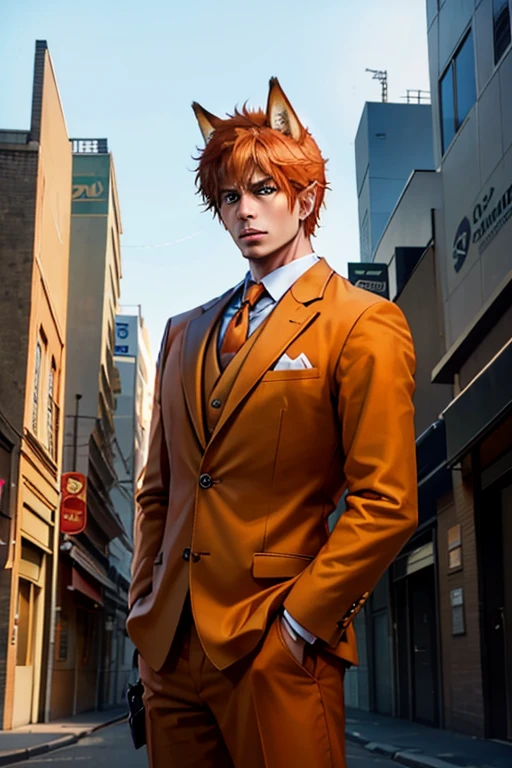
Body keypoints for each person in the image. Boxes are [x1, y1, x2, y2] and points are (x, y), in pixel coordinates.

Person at [127, 77, 418, 768]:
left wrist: (299, 626)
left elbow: (386, 503)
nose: (244, 211)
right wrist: (144, 614)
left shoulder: (362, 321)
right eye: (230, 196)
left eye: (263, 189)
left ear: (307, 197)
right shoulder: (182, 333)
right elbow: (158, 492)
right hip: (169, 655)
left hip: (277, 646)